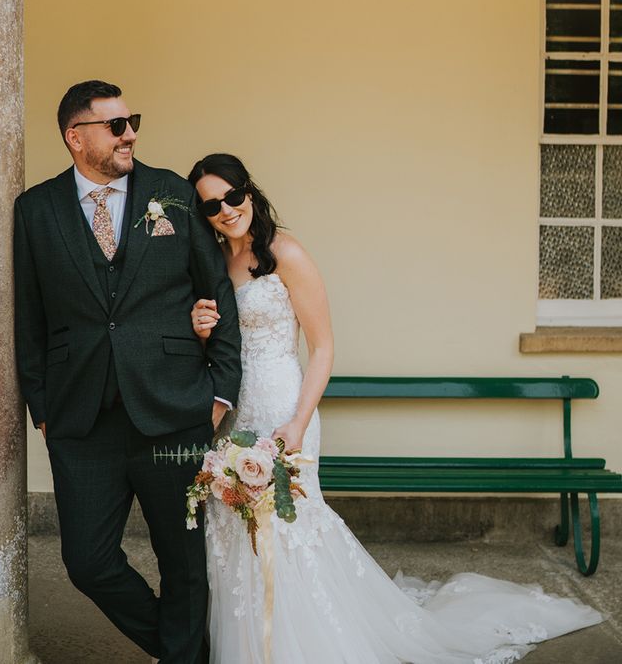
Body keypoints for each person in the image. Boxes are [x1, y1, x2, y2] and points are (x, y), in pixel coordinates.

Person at [187, 153, 602, 664]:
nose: (226, 210)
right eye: (211, 205)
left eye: (232, 196)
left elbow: (323, 348)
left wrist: (297, 422)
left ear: (248, 192)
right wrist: (201, 330)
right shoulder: (208, 263)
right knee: (235, 531)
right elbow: (217, 348)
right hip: (232, 416)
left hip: (282, 409)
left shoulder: (285, 252)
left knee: (290, 529)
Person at [13, 81, 241, 664]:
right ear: (75, 136)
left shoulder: (171, 192)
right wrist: (41, 406)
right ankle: (184, 649)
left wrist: (220, 392)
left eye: (131, 120)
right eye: (115, 125)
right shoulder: (35, 209)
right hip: (81, 423)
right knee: (87, 563)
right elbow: (29, 313)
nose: (130, 133)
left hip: (173, 412)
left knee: (184, 563)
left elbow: (216, 291)